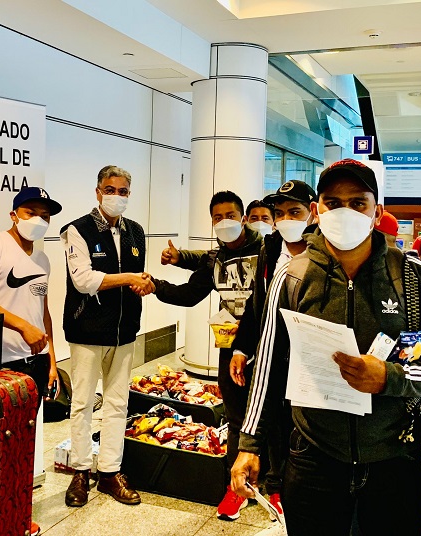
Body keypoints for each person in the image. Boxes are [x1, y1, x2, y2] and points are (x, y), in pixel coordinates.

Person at [231, 158, 421, 536]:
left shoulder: (411, 275)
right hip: (314, 457)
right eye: (333, 203)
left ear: (377, 212)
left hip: (394, 456)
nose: (345, 212)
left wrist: (391, 376)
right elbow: (268, 367)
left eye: (358, 203)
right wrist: (250, 444)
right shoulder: (292, 277)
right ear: (317, 210)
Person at [152, 191, 262, 521]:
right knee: (236, 415)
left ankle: (274, 484)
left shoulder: (267, 250)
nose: (225, 222)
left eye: (231, 215)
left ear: (243, 218)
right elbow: (189, 294)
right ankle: (236, 486)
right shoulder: (215, 260)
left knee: (272, 415)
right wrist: (154, 285)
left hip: (267, 344)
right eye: (217, 217)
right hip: (231, 345)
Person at [0, 186, 62, 536]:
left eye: (45, 215)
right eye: (30, 212)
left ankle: (17, 517)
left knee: (22, 447)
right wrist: (21, 326)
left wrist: (52, 360)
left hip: (34, 363)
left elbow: (43, 312)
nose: (38, 220)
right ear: (13, 215)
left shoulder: (43, 259)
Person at [61, 165, 154, 508]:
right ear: (98, 191)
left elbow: (135, 279)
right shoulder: (78, 229)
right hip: (86, 331)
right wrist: (130, 277)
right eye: (110, 190)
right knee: (83, 404)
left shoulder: (135, 232)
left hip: (124, 332)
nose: (117, 196)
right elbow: (83, 280)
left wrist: (142, 284)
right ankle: (80, 471)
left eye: (123, 191)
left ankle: (110, 472)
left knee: (118, 404)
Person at [231, 180, 316, 519]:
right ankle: (276, 486)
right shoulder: (270, 250)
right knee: (273, 423)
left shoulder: (324, 253)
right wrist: (241, 348)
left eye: (295, 212)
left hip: (309, 361)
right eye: (279, 213)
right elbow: (257, 306)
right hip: (272, 355)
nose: (285, 220)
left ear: (312, 212)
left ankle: (292, 490)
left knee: (301, 428)